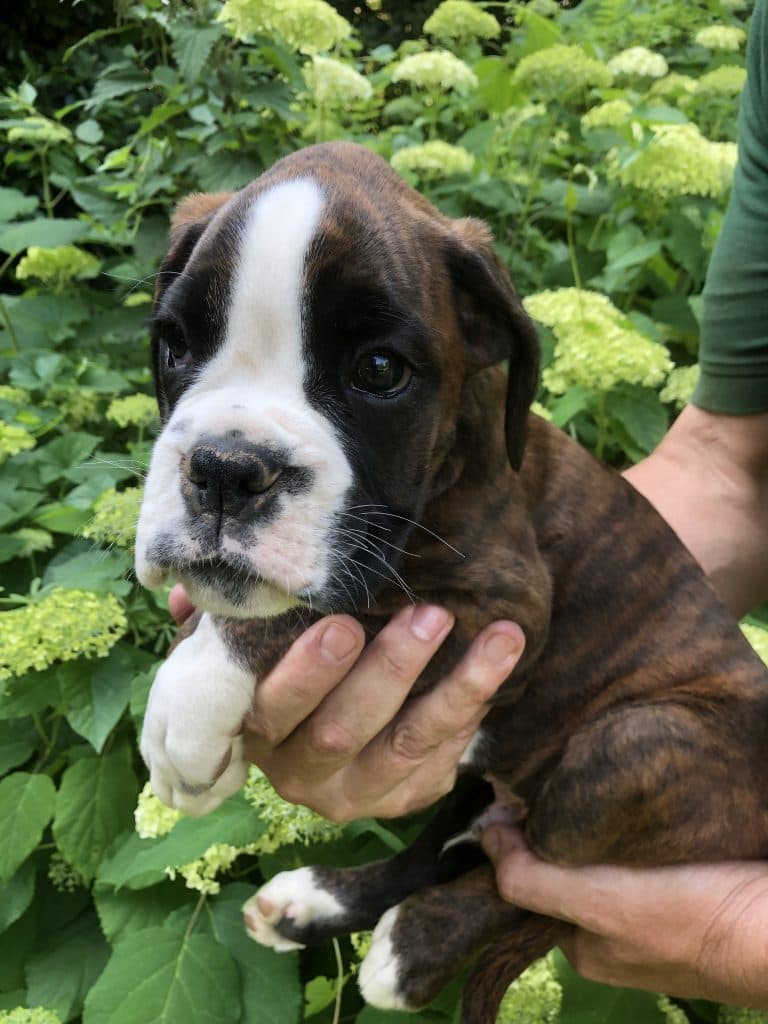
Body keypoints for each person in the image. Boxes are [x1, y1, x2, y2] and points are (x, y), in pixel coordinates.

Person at [167, 0, 768, 1007]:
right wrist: (261, 622)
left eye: (377, 367)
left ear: (495, 346)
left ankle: (491, 893)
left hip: (703, 762)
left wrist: (735, 938)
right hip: (664, 723)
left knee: (584, 788)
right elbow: (735, 470)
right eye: (184, 348)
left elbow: (505, 608)